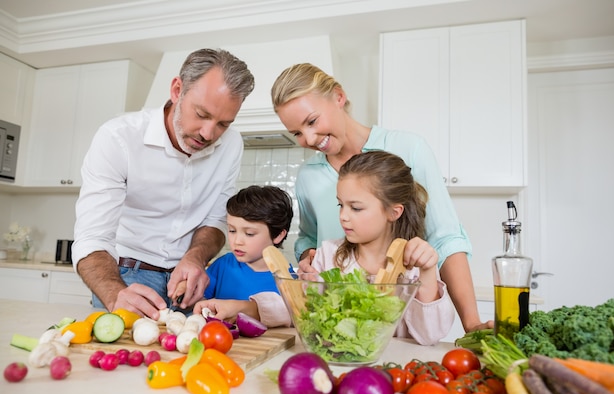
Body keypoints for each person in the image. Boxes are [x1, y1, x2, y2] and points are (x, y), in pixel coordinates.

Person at [271, 63, 492, 333]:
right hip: (340, 325)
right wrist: (311, 261)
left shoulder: (408, 148)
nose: (308, 138)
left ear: (338, 97)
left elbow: (445, 239)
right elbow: (308, 237)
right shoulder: (308, 175)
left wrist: (472, 323)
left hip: (401, 320)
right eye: (296, 133)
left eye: (312, 121)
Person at [72, 48, 255, 321]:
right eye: (202, 114)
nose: (209, 133)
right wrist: (114, 293)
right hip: (126, 278)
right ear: (177, 89)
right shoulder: (118, 138)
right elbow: (92, 238)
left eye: (223, 124)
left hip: (188, 282)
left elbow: (216, 219)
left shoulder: (231, 144)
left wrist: (195, 256)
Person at [311, 151, 454, 345]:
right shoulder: (328, 255)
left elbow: (430, 336)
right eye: (340, 205)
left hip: (397, 369)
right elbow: (309, 323)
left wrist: (427, 272)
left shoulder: (415, 265)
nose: (343, 216)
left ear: (393, 212)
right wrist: (304, 288)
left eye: (356, 208)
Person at [192, 185, 293, 327]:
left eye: (249, 233)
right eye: (232, 230)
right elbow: (197, 300)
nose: (237, 241)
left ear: (278, 235)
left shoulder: (288, 280)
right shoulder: (223, 265)